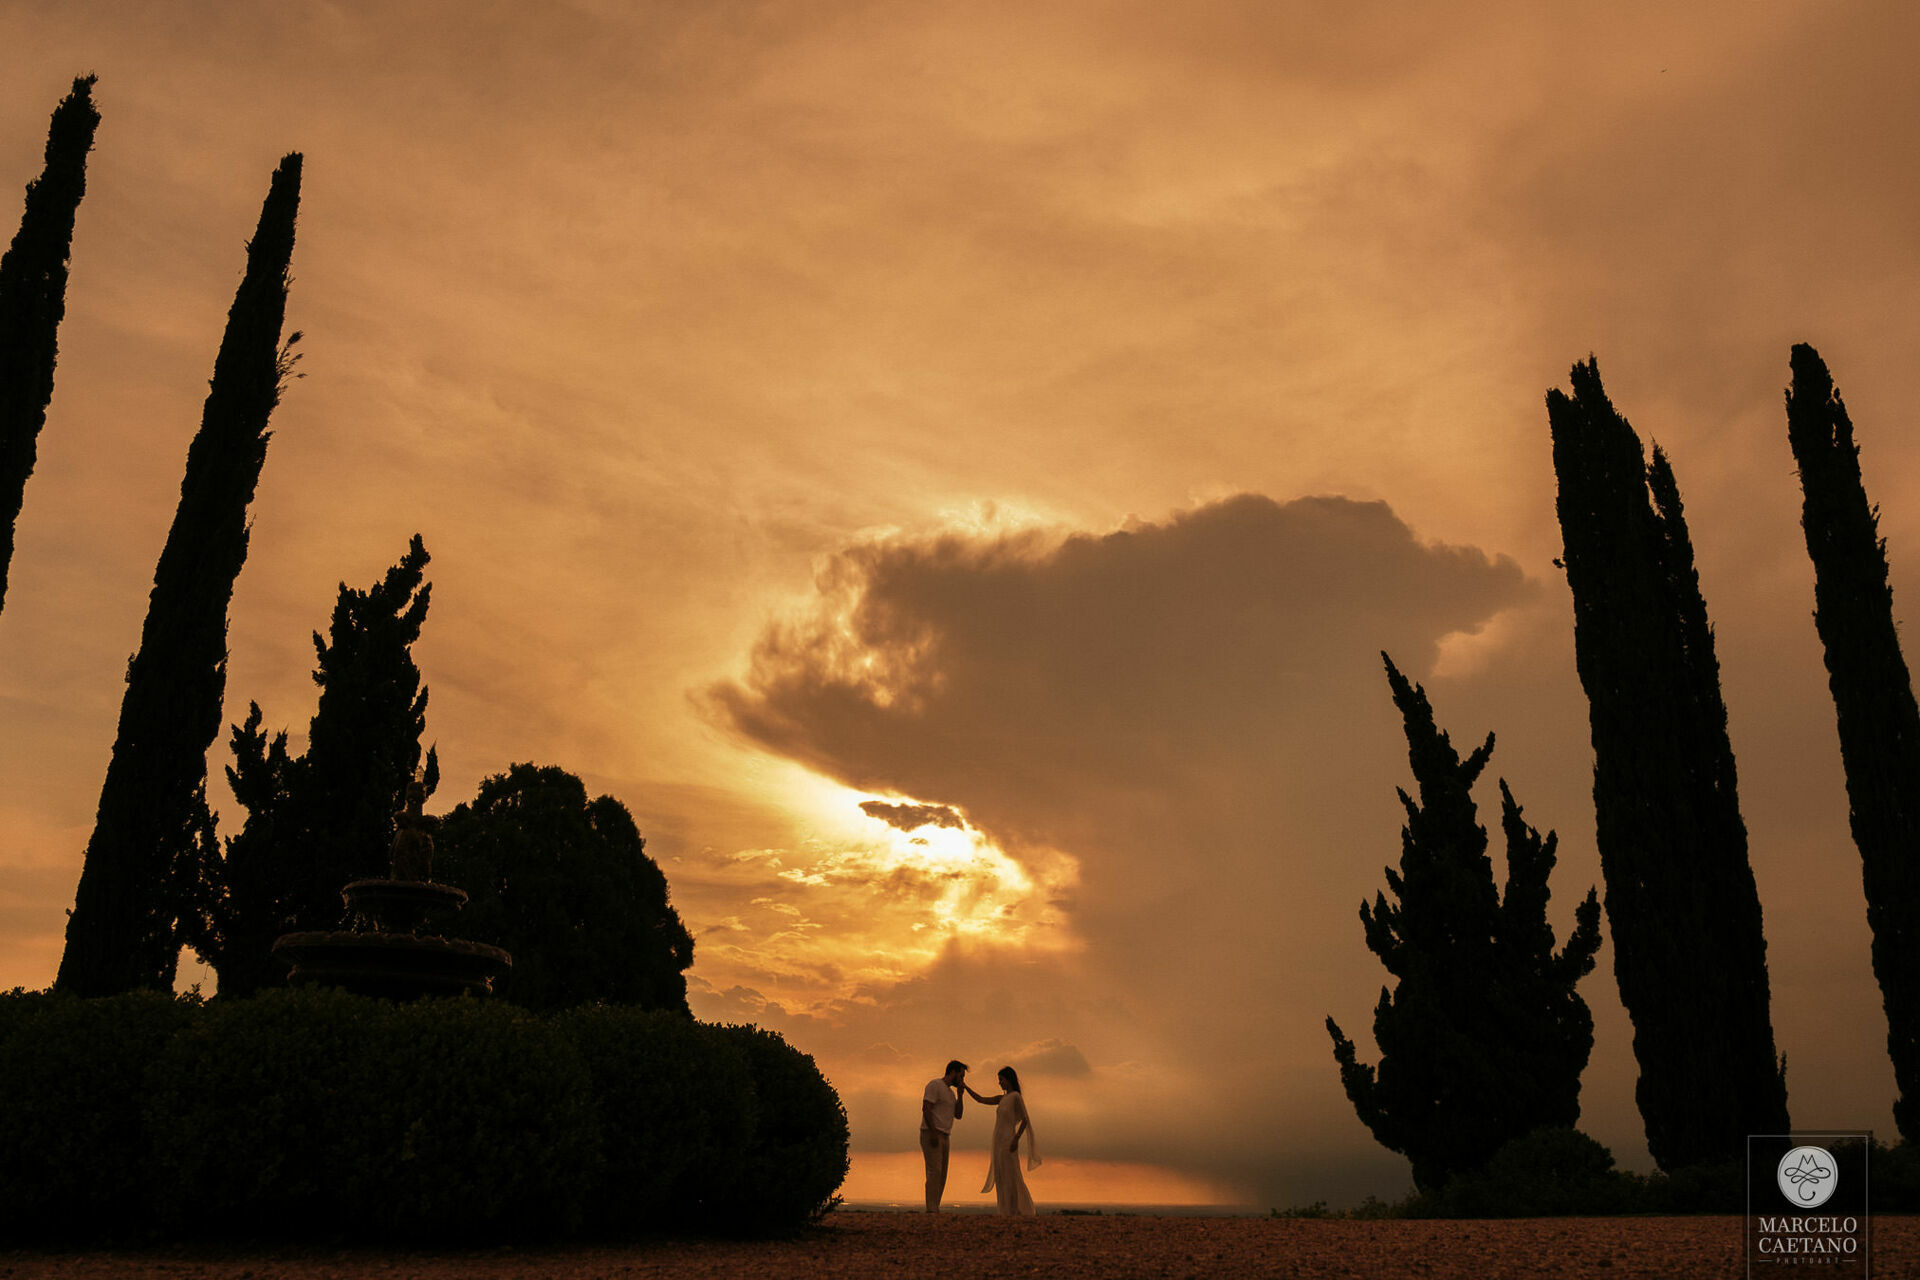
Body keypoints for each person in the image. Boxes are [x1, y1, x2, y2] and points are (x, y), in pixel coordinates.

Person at [967, 1066, 1039, 1215]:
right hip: (998, 1141)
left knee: (1011, 1174)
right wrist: (965, 1087)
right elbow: (981, 1099)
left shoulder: (1015, 1097)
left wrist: (1016, 1139)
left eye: (1001, 1079)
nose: (999, 1083)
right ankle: (1005, 1209)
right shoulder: (1002, 1098)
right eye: (999, 1080)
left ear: (1009, 1079)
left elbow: (1025, 1120)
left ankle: (1015, 1209)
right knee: (1001, 1175)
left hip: (1009, 1141)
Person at [920, 1059, 968, 1212]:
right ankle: (931, 1208)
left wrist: (960, 1095)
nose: (962, 1080)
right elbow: (926, 1108)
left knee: (942, 1174)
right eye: (961, 1076)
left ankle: (935, 1206)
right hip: (932, 1133)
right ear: (953, 1072)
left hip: (945, 1135)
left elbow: (958, 1114)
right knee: (934, 1171)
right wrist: (933, 1132)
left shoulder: (950, 1093)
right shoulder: (935, 1085)